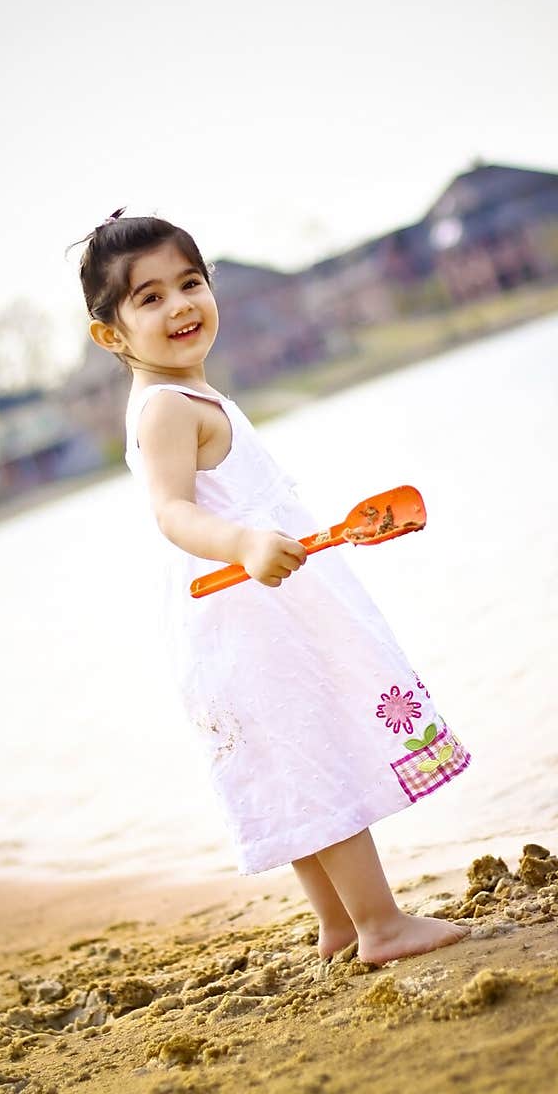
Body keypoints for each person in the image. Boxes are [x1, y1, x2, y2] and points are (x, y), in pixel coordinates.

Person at [71, 209, 471, 965]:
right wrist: (246, 541)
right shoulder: (164, 409)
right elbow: (172, 512)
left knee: (288, 757)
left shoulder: (190, 396)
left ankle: (339, 923)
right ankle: (380, 924)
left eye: (190, 283)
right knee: (311, 751)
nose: (180, 305)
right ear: (112, 335)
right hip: (247, 614)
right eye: (149, 298)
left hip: (247, 611)